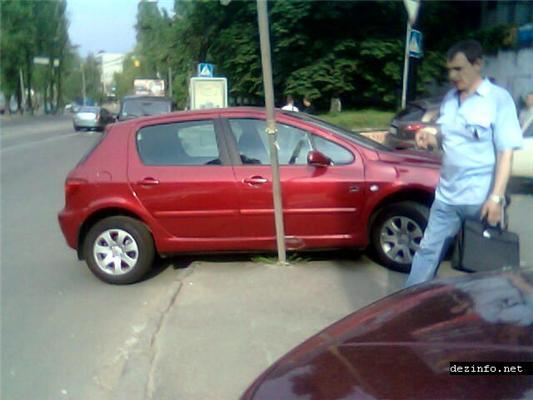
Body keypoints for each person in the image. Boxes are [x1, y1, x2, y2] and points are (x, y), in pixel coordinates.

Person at [405, 39, 523, 287]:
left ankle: (490, 316)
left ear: (478, 64)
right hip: (446, 197)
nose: (452, 75)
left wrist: (496, 198)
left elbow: (505, 154)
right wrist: (430, 138)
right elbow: (448, 143)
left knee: (486, 264)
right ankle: (408, 307)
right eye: (449, 70)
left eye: (459, 69)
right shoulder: (450, 99)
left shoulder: (498, 99)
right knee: (427, 252)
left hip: (481, 200)